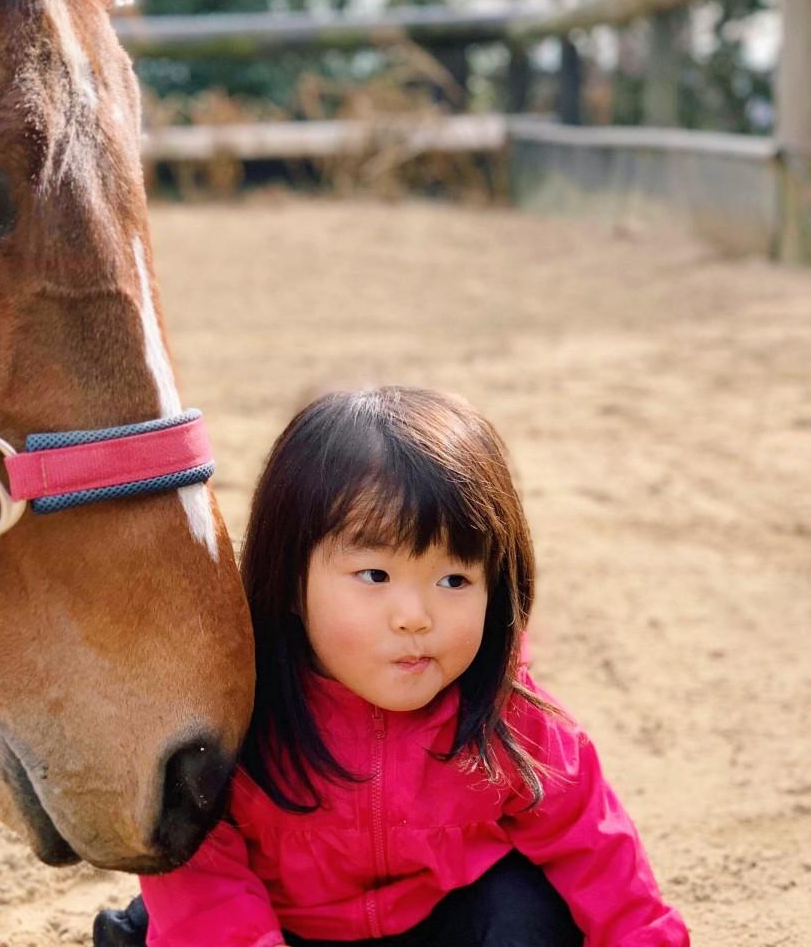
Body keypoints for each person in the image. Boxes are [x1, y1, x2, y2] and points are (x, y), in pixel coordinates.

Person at [95, 388, 690, 947]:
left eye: (454, 579)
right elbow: (205, 874)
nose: (415, 616)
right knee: (180, 909)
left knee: (530, 908)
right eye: (375, 576)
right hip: (279, 924)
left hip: (436, 917)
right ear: (291, 584)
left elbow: (602, 857)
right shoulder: (236, 712)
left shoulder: (510, 719)